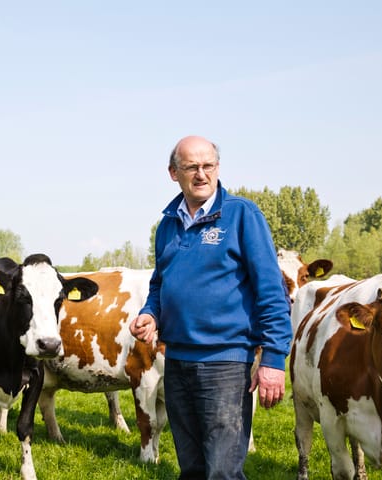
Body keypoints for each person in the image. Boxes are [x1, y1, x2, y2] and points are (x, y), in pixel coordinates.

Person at [129, 135, 291, 480]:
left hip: (226, 363)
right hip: (176, 360)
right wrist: (149, 313)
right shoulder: (167, 225)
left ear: (217, 168)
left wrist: (274, 360)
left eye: (208, 166)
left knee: (222, 471)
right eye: (191, 167)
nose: (201, 174)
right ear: (174, 173)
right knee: (191, 468)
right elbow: (160, 284)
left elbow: (271, 291)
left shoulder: (241, 215)